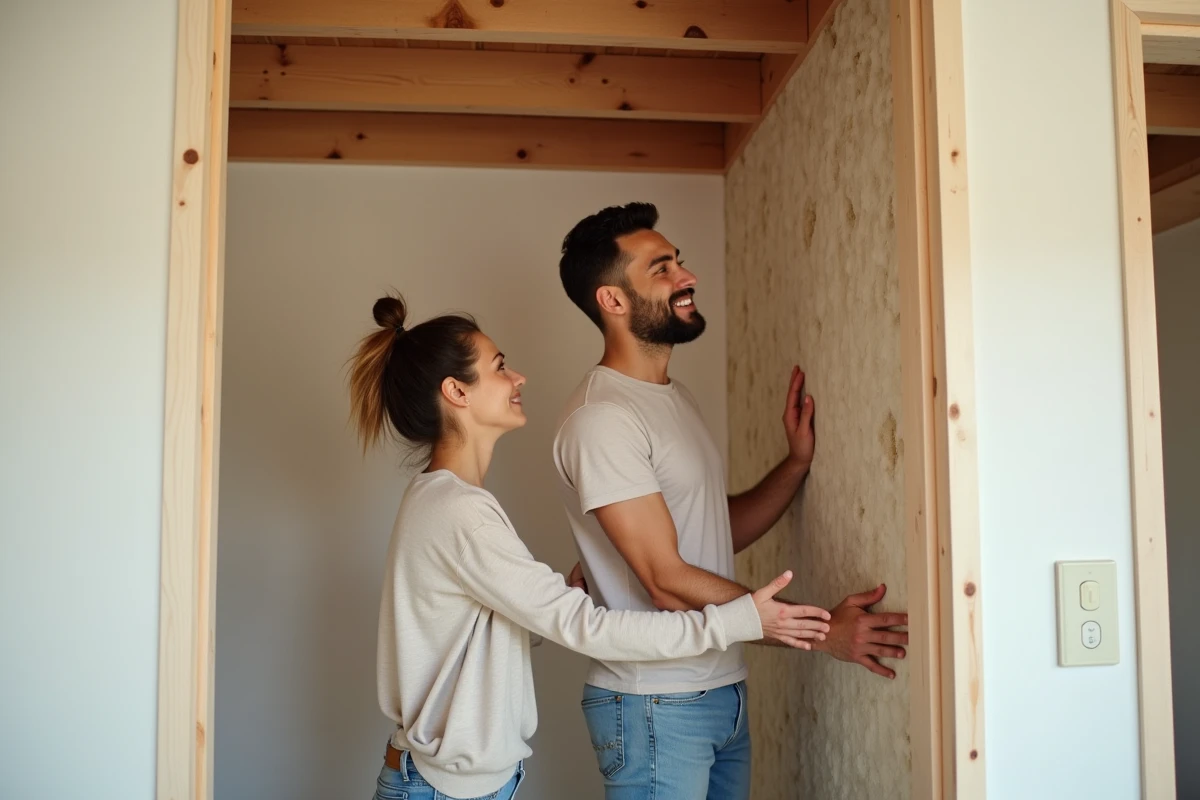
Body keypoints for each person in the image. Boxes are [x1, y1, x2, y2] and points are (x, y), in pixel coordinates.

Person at [347, 294, 833, 800]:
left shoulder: (445, 500)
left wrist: (558, 589)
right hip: (442, 790)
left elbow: (464, 627)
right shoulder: (458, 511)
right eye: (500, 367)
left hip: (453, 785)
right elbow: (586, 628)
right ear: (456, 391)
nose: (518, 379)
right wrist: (736, 619)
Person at [553, 203, 911, 800]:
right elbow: (665, 580)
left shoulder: (671, 398)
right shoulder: (603, 420)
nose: (686, 277)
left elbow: (711, 529)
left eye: (680, 262)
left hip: (720, 691)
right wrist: (822, 632)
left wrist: (795, 465)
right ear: (612, 301)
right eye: (661, 268)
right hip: (655, 705)